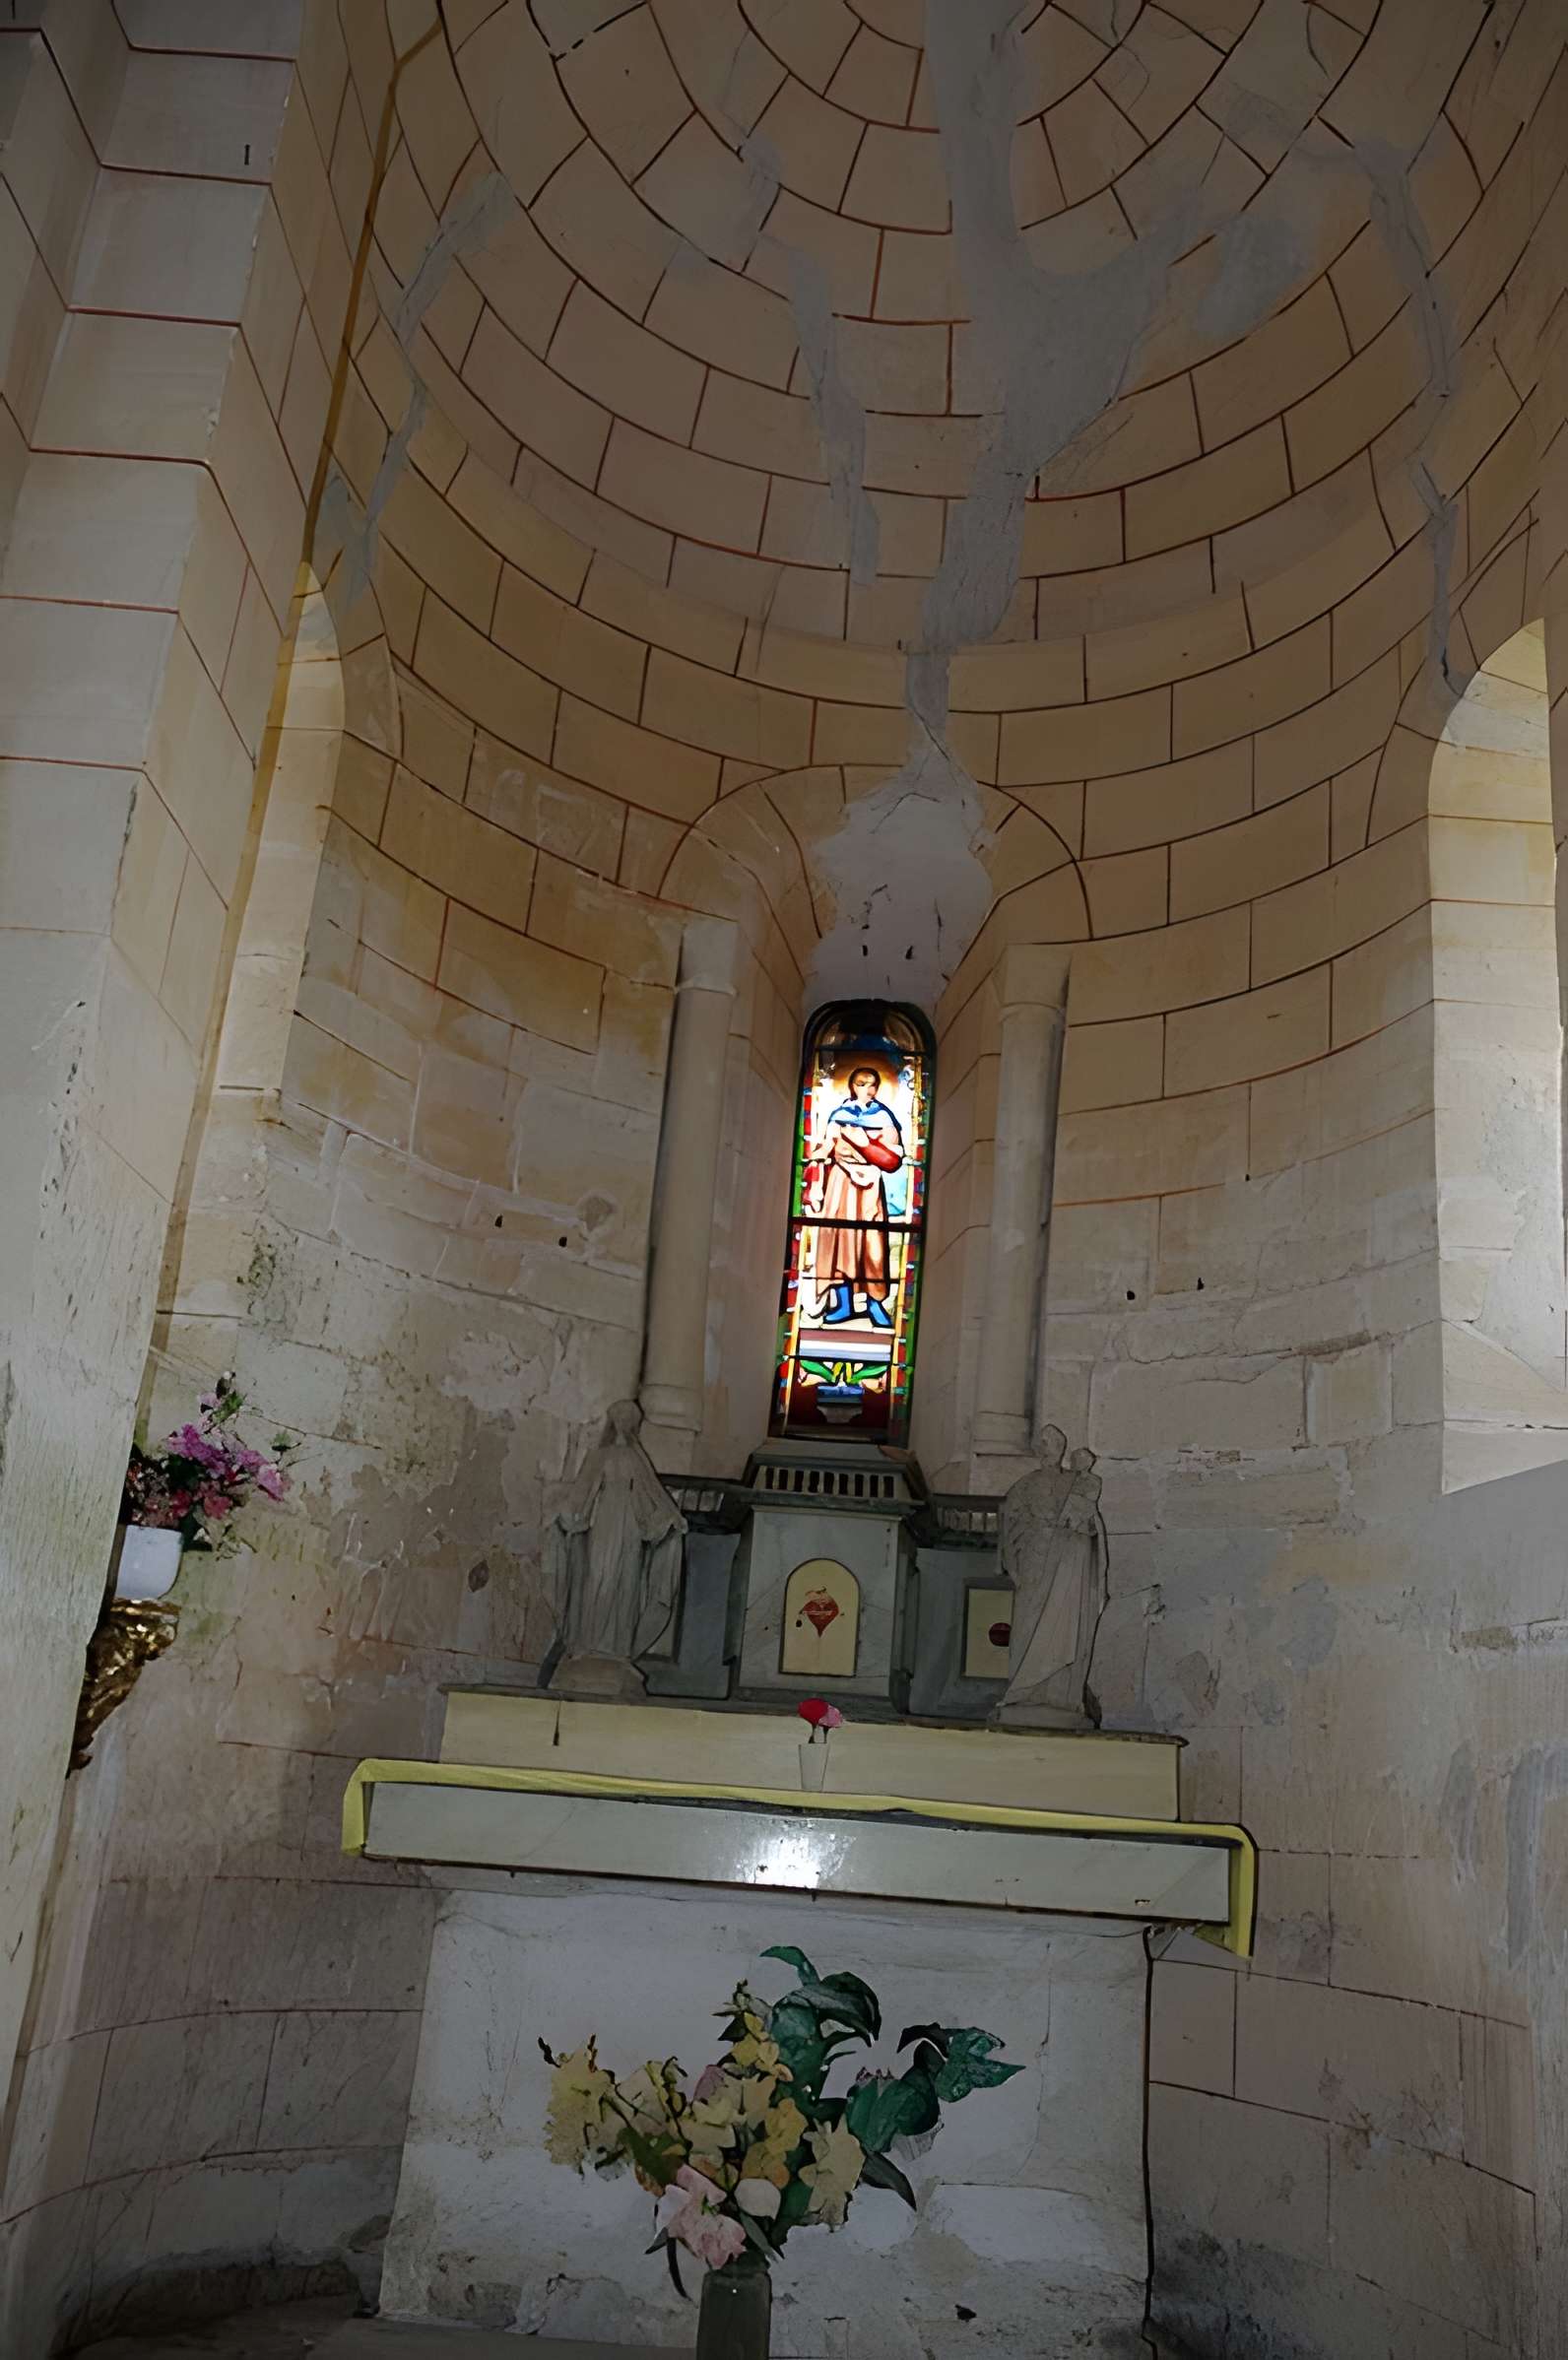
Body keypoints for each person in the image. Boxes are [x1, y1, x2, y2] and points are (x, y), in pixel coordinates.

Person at [804, 1065, 905, 1329]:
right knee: (839, 1241)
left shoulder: (884, 1117)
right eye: (861, 1083)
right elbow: (826, 1147)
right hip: (840, 1183)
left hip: (869, 1186)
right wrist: (816, 1177)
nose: (867, 1089)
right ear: (851, 1086)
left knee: (871, 1245)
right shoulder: (839, 1114)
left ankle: (875, 1303)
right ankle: (843, 1303)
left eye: (872, 1084)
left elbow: (893, 1160)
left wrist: (865, 1144)